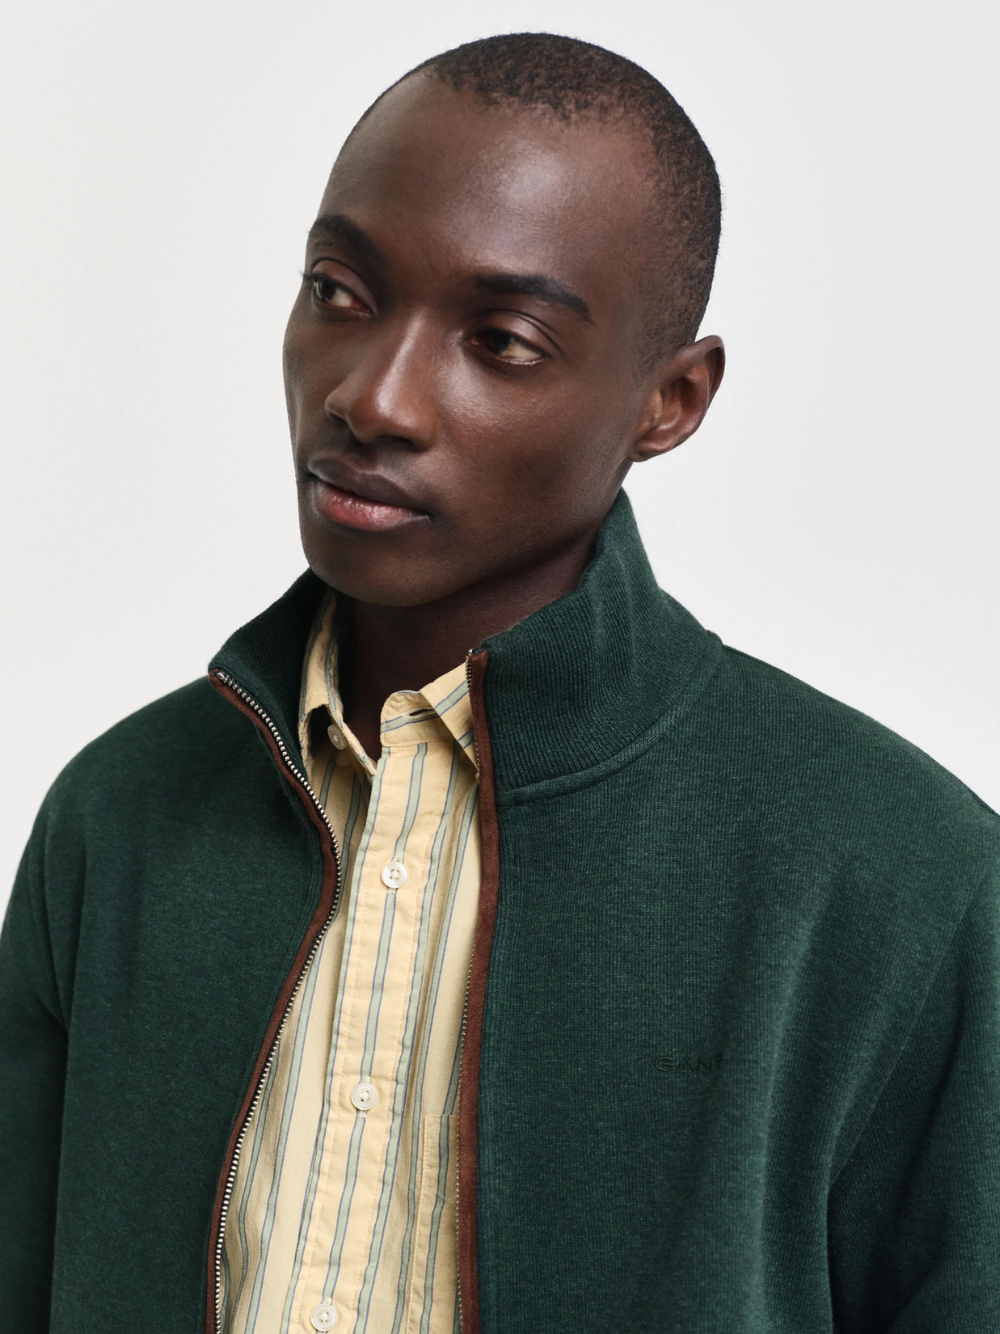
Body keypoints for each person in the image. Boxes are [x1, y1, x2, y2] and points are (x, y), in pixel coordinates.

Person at [2, 30, 998, 1334]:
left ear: (671, 400)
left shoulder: (902, 880)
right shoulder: (121, 814)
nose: (374, 397)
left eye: (503, 340)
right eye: (339, 291)